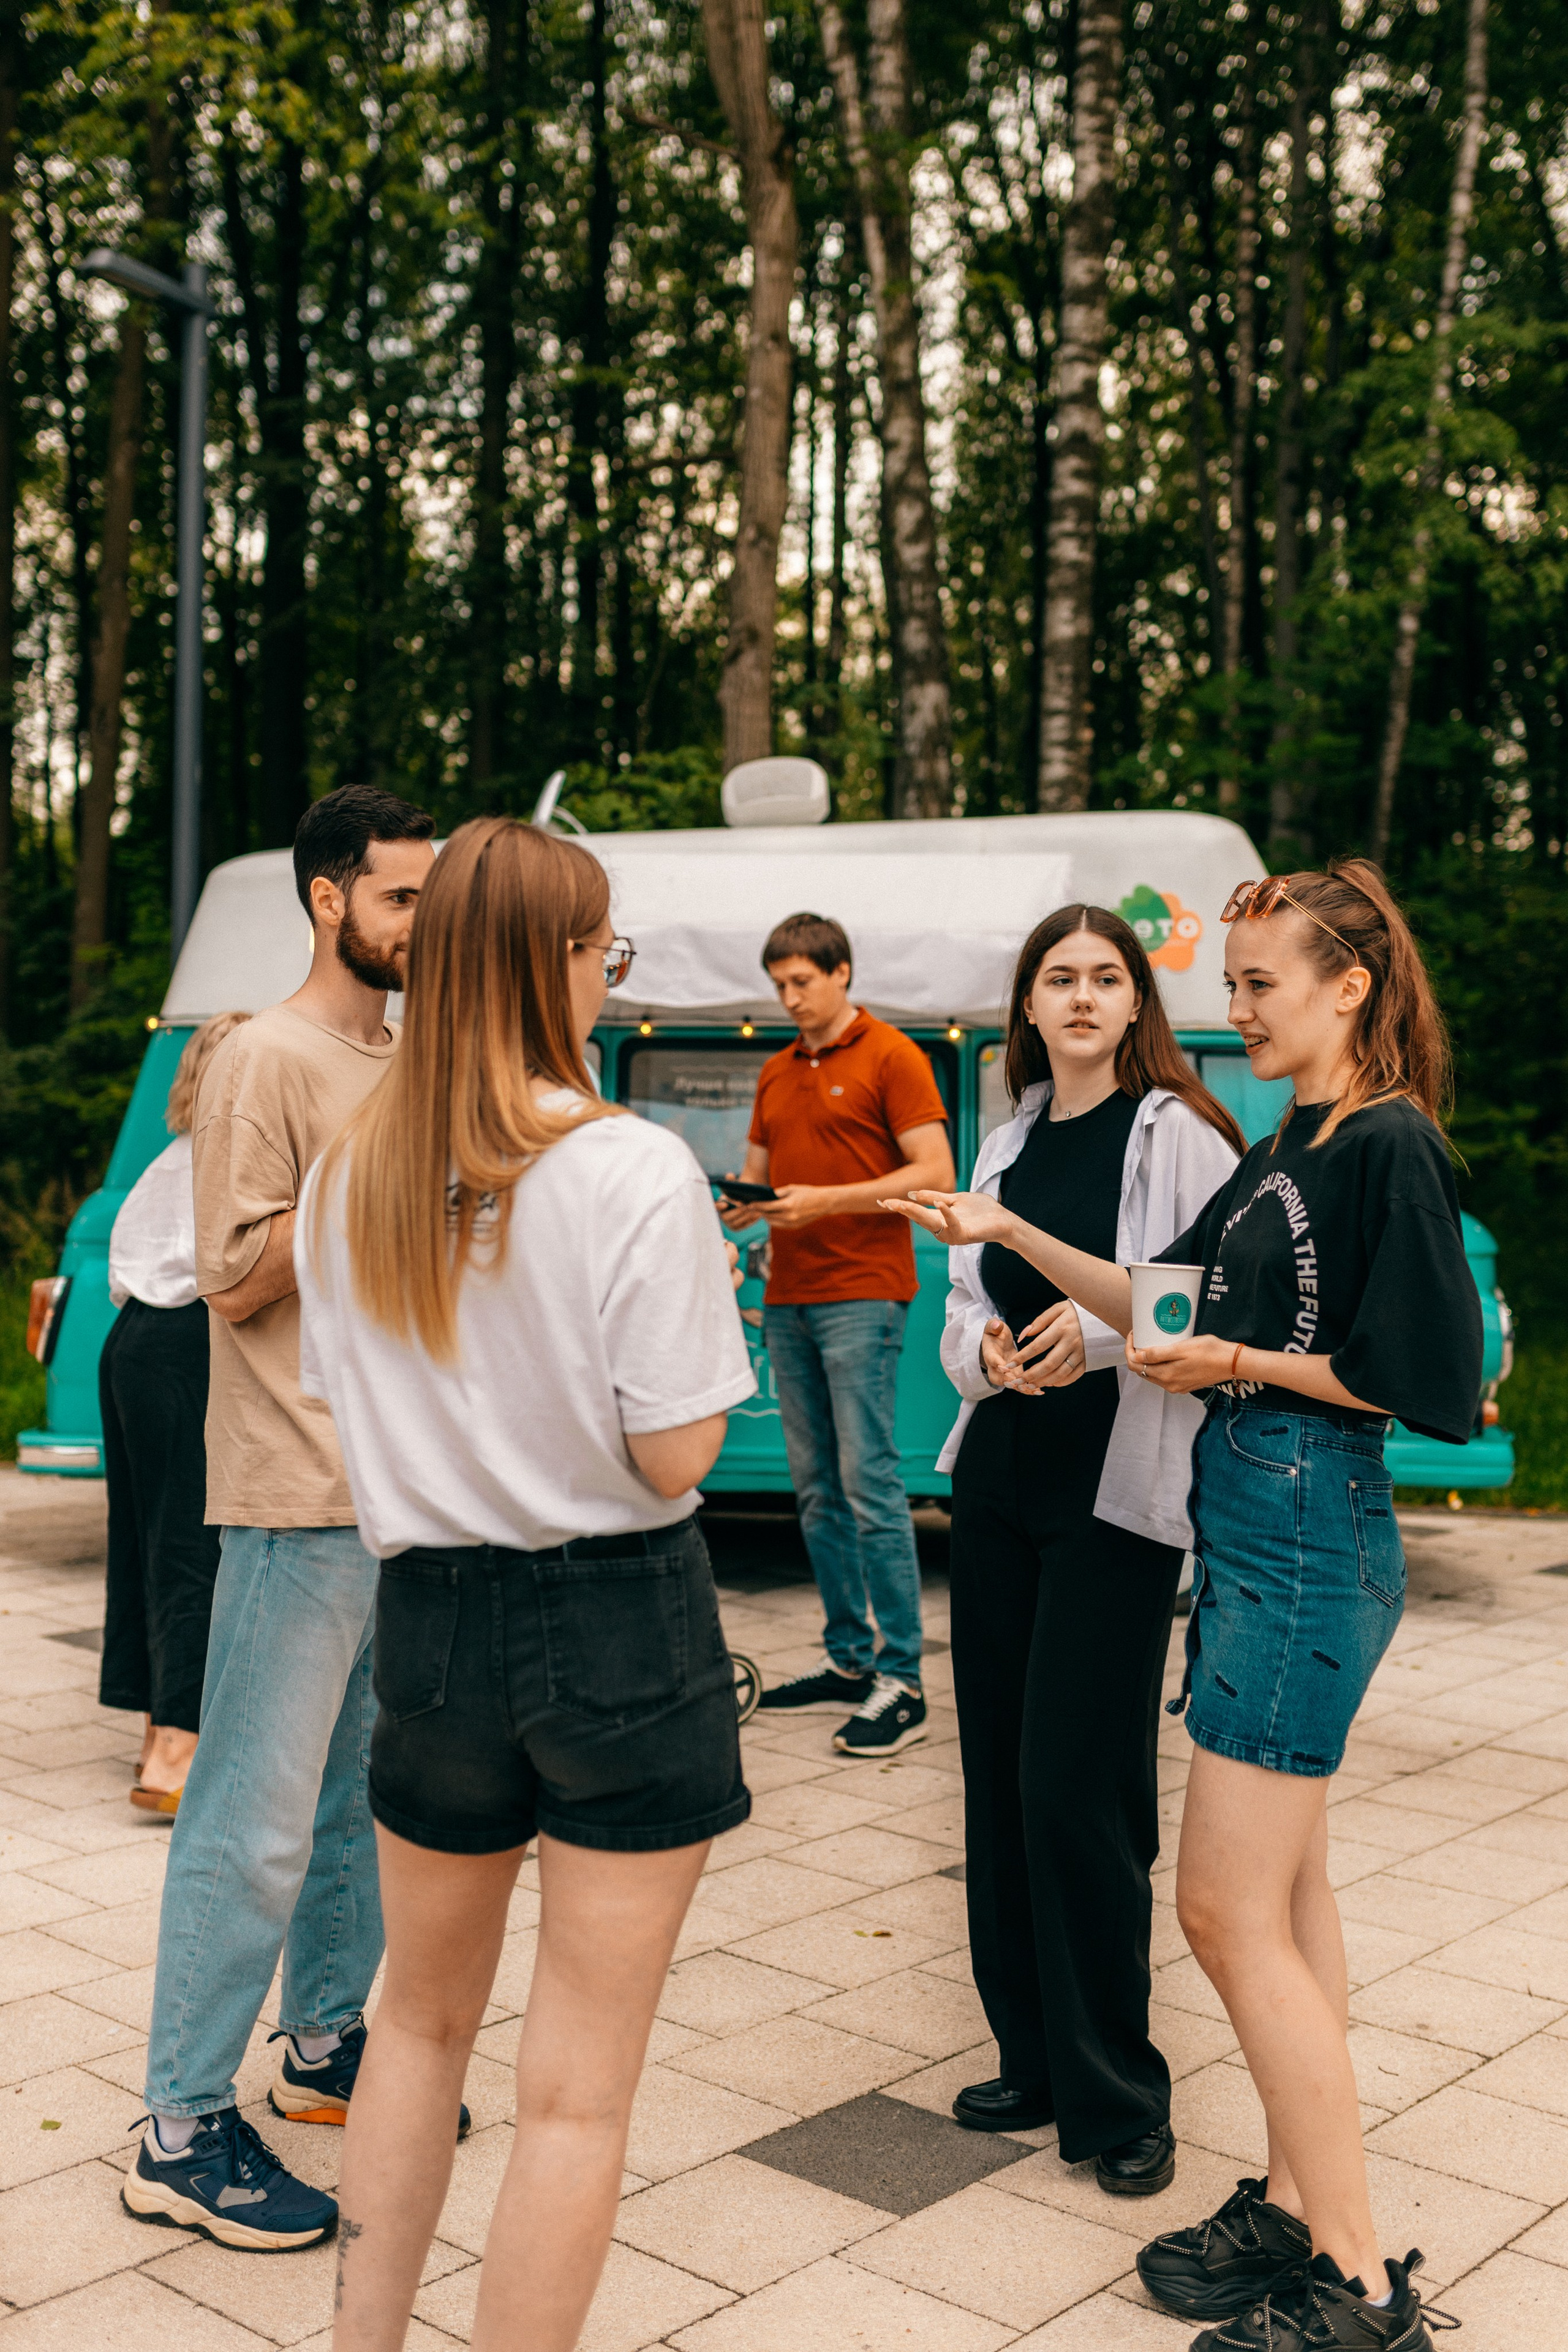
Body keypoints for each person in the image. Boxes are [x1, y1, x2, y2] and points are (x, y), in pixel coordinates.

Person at [886, 861, 1478, 2352]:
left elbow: (1429, 1385)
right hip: (1258, 1535)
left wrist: (1230, 1370)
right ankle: (1292, 2200)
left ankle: (1351, 2284)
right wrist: (1013, 1242)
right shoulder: (1294, 1136)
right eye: (1230, 982)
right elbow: (1160, 1293)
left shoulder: (1384, 1147)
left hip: (1302, 1535)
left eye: (1262, 983)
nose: (1237, 1006)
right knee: (1285, 1898)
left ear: (1349, 985)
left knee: (1220, 1908)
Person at [291, 817, 755, 2351]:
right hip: (616, 1617)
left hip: (424, 1618)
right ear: (550, 961)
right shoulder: (627, 1167)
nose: (610, 985)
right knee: (573, 2093)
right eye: (603, 954)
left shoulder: (349, 1171)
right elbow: (679, 1453)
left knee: (414, 2030)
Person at [124, 784, 438, 2253]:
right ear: (329, 898)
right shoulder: (262, 1056)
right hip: (296, 1491)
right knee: (247, 1819)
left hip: (398, 1493)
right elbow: (231, 1273)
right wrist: (374, 1180)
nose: (420, 921)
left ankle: (320, 2047)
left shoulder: (409, 1051)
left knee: (348, 1810)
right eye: (398, 899)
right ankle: (179, 2129)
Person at [930, 905, 1242, 2196]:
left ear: (1134, 1007)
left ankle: (1118, 2097)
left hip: (1114, 1496)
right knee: (999, 1781)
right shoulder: (1003, 1138)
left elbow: (1192, 1301)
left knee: (1081, 1789)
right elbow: (959, 1307)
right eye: (1055, 978)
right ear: (1026, 1005)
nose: (1077, 997)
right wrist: (989, 1356)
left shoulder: (1177, 1135)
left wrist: (1092, 1335)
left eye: (1102, 979)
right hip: (1001, 1479)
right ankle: (1034, 2058)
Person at [718, 911, 954, 1756]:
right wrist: (733, 1200)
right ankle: (850, 1661)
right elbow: (754, 1179)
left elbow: (935, 1174)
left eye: (802, 981)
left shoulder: (893, 1055)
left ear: (842, 971)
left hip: (863, 1293)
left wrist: (823, 1198)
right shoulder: (776, 1069)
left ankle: (903, 1679)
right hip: (788, 1295)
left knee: (871, 1485)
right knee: (814, 1491)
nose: (789, 998)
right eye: (779, 985)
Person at [100, 1011, 252, 1815]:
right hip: (183, 1341)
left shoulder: (174, 1158)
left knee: (148, 1540)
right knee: (191, 1543)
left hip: (136, 1341)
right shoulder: (228, 1160)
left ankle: (156, 1727)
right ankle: (176, 1752)